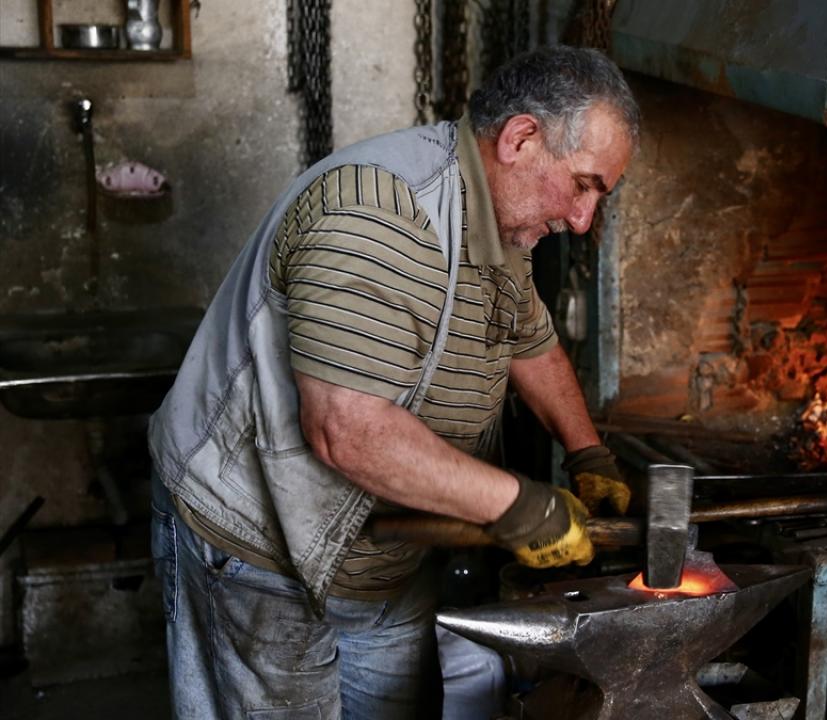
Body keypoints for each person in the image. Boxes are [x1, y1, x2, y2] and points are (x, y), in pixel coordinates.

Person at [147, 45, 639, 719]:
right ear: (521, 139)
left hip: (388, 555)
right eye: (583, 184)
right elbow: (348, 430)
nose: (582, 220)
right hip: (261, 554)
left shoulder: (498, 221)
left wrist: (587, 454)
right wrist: (520, 506)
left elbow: (530, 342)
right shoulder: (379, 213)